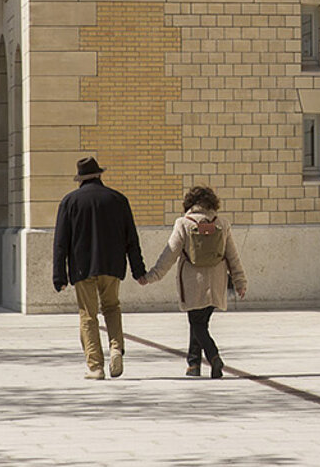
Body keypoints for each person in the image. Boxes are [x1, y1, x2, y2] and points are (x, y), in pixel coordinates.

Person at [52, 156, 147, 380]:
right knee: (112, 307)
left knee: (88, 315)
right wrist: (138, 270)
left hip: (83, 267)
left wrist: (59, 275)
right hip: (113, 265)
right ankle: (116, 347)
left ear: (80, 179)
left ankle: (95, 366)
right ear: (99, 175)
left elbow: (61, 242)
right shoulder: (118, 199)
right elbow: (131, 238)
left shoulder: (70, 202)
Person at [140, 185, 247, 378]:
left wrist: (152, 276)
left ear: (190, 203)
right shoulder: (222, 224)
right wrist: (240, 281)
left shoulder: (184, 223)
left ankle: (214, 357)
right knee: (199, 322)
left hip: (192, 284)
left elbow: (169, 254)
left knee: (197, 323)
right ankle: (193, 365)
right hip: (216, 283)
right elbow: (233, 256)